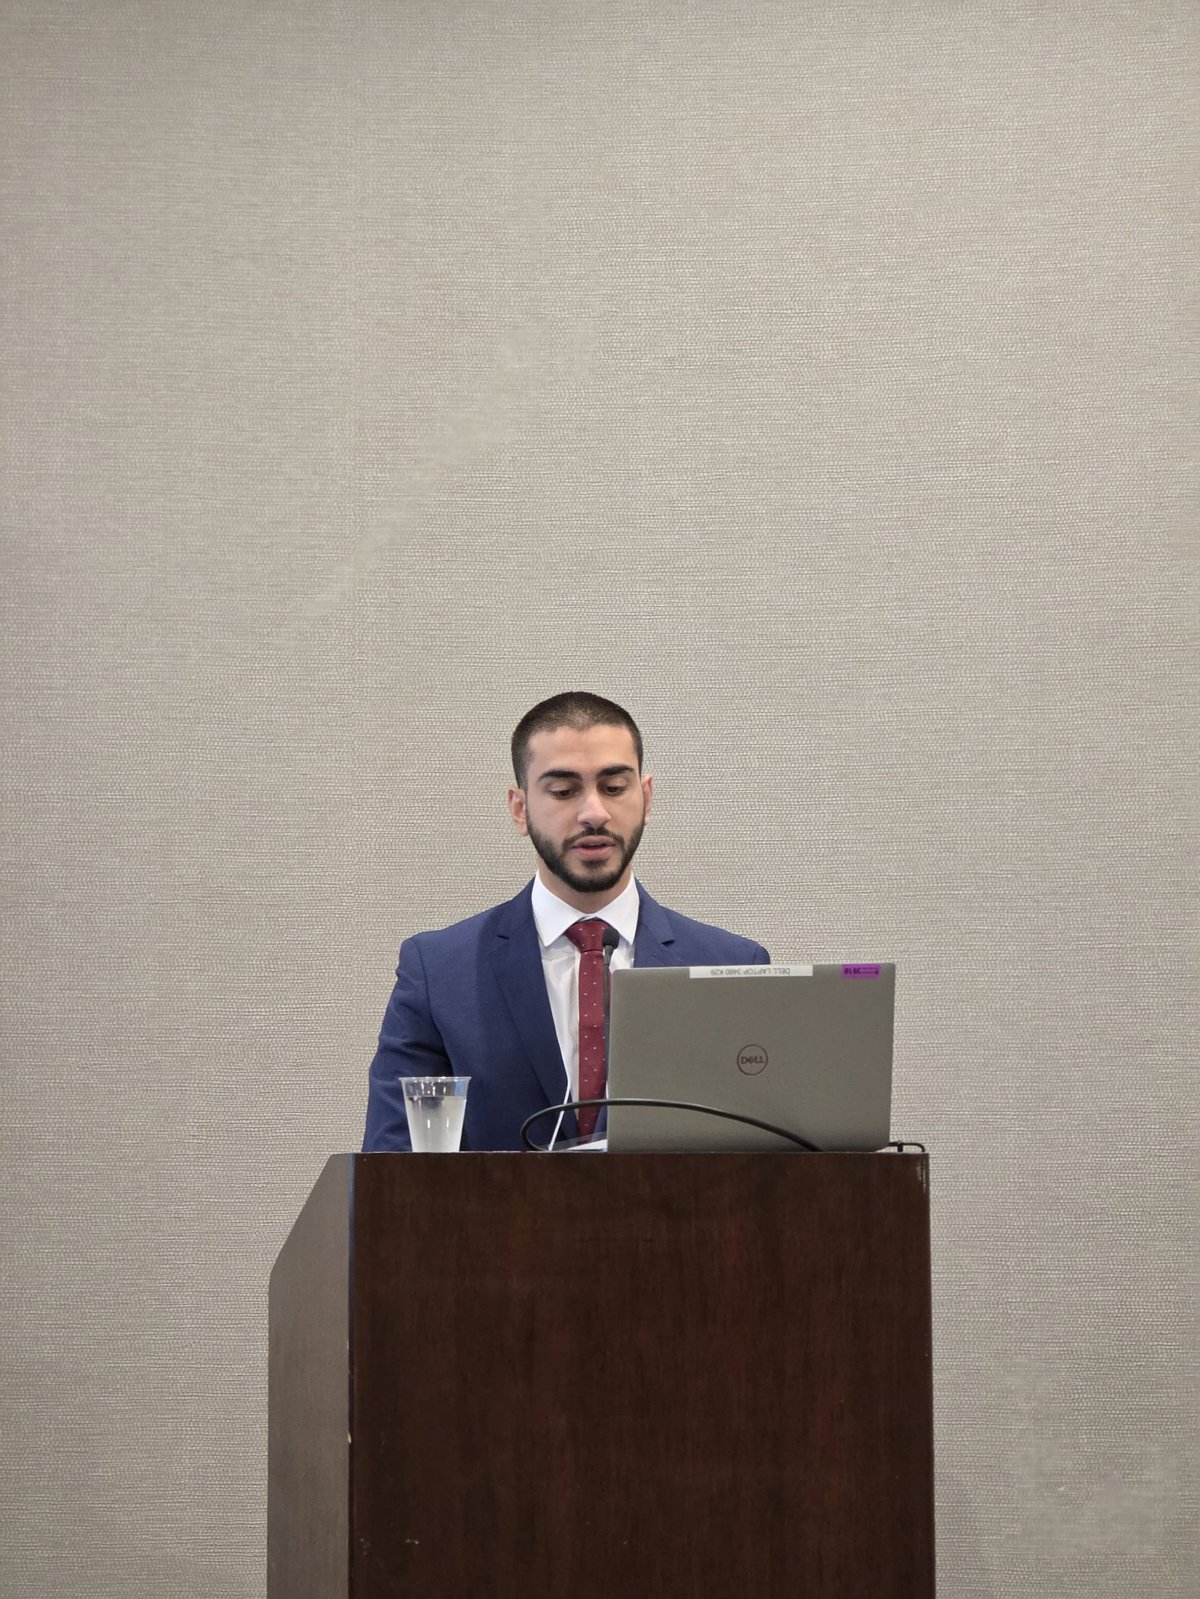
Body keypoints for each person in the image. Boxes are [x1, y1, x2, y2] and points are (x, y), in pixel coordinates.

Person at [362, 692, 770, 1151]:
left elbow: (760, 1162)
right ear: (520, 809)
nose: (594, 812)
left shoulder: (733, 965)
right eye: (563, 791)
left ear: (647, 797)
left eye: (614, 788)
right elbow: (389, 1170)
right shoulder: (438, 973)